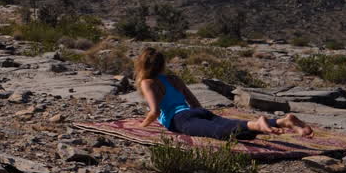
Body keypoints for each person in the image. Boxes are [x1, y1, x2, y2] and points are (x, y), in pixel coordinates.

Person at [132, 47, 312, 139]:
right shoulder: (174, 78)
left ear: (142, 65)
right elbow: (194, 102)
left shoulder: (147, 82)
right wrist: (201, 114)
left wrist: (142, 126)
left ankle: (260, 124)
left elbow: (154, 111)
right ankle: (283, 121)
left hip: (179, 120)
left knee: (219, 132)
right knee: (232, 124)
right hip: (197, 112)